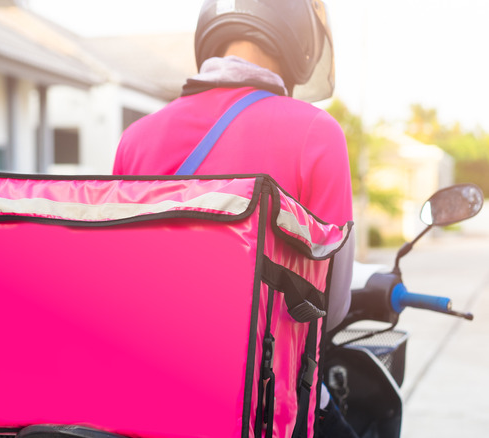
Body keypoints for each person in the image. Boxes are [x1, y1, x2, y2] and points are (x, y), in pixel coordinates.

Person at [113, 0, 356, 436]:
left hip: (150, 400)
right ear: (300, 40)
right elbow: (331, 306)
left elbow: (123, 281)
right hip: (263, 408)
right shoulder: (316, 133)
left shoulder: (136, 139)